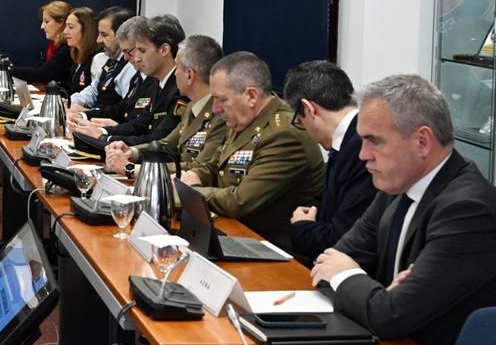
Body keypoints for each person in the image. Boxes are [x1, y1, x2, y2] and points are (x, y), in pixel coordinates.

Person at [311, 75, 496, 345]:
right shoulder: (396, 186)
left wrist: (350, 276)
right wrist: (374, 292)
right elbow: (327, 264)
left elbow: (389, 316)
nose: (363, 155)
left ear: (422, 142)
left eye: (373, 141)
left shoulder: (468, 210)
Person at [179, 51, 324, 253]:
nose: (215, 108)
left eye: (221, 99)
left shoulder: (283, 134)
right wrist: (191, 177)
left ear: (251, 96)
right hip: (237, 236)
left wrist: (187, 192)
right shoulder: (243, 119)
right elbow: (214, 166)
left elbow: (239, 201)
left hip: (274, 250)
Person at [283, 61, 375, 260]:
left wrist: (302, 227)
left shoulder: (361, 148)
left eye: (300, 121)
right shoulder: (347, 141)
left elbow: (343, 238)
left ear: (309, 109)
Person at [105, 35, 227, 174]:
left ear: (189, 75)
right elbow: (167, 146)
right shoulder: (192, 107)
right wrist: (132, 152)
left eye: (177, 67)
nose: (175, 74)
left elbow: (198, 167)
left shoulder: (220, 115)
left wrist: (133, 169)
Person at [71, 14, 184, 147]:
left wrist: (104, 137)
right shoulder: (155, 81)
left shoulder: (180, 88)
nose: (136, 58)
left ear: (164, 50)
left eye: (142, 50)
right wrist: (102, 131)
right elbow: (140, 124)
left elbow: (158, 140)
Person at [0, 0, 71, 86]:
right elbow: (37, 69)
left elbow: (41, 74)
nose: (42, 26)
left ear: (61, 22)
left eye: (47, 21)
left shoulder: (67, 48)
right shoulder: (51, 47)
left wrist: (2, 68)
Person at [69, 6, 136, 111]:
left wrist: (87, 113)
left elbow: (125, 109)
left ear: (122, 35)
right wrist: (71, 102)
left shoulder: (132, 66)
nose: (98, 40)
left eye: (104, 35)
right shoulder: (112, 60)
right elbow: (93, 90)